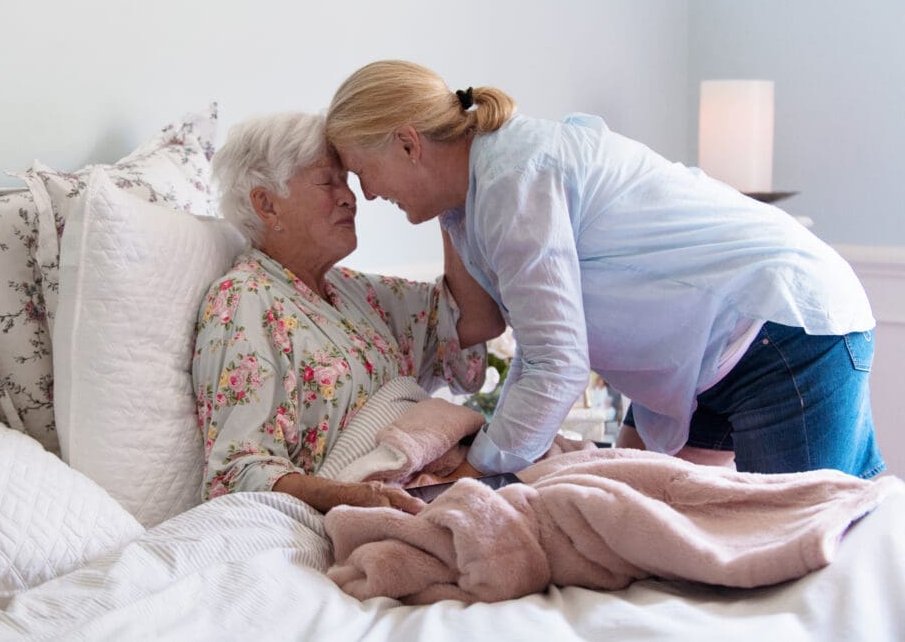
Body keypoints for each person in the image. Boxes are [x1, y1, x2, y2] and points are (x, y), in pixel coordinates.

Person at [325, 59, 884, 479]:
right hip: (705, 358)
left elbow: (557, 364)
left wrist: (481, 466)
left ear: (406, 143)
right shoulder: (469, 203)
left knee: (799, 550)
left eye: (361, 172)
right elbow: (519, 336)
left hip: (777, 327)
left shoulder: (515, 180)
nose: (367, 194)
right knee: (641, 522)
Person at [192, 111, 503, 514]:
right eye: (327, 181)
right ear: (267, 205)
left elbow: (472, 320)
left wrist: (446, 199)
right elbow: (238, 473)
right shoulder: (244, 299)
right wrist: (361, 498)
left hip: (449, 477)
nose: (349, 197)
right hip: (385, 503)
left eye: (348, 181)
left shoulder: (355, 291)